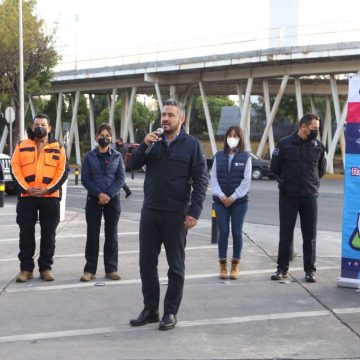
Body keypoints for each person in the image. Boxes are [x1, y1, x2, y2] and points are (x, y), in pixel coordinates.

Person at [129, 99, 208, 331]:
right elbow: (132, 165)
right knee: (146, 264)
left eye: (171, 115)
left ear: (181, 119)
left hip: (176, 214)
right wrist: (143, 145)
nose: (165, 118)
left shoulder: (192, 145)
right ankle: (151, 309)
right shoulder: (153, 142)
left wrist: (194, 211)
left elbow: (201, 180)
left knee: (175, 266)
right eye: (163, 114)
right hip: (151, 211)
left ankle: (170, 312)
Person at [10, 113, 68, 282]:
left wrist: (47, 189)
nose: (39, 127)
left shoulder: (59, 148)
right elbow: (15, 169)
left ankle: (46, 268)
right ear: (32, 127)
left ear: (49, 128)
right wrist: (26, 188)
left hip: (50, 197)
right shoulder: (21, 146)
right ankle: (26, 270)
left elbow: (62, 172)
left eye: (43, 124)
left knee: (48, 234)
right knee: (26, 233)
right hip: (26, 197)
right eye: (37, 124)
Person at [270, 113, 326, 283]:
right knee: (286, 233)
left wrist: (313, 184)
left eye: (317, 128)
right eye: (314, 128)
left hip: (309, 196)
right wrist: (285, 184)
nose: (316, 131)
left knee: (310, 235)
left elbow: (321, 170)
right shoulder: (284, 144)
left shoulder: (318, 146)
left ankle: (310, 270)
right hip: (289, 196)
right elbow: (275, 168)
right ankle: (282, 268)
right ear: (303, 127)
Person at [80, 123, 125, 282]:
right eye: (101, 135)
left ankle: (111, 269)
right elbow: (85, 179)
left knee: (111, 235)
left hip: (113, 201)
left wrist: (108, 194)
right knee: (92, 235)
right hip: (93, 200)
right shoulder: (89, 157)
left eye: (107, 135)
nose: (104, 138)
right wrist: (99, 194)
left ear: (111, 138)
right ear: (96, 137)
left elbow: (120, 179)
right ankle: (89, 270)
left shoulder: (117, 156)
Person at [211, 125, 252, 280]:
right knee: (223, 232)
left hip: (239, 202)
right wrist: (221, 195)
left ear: (240, 139)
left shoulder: (246, 157)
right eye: (230, 135)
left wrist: (233, 197)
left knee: (236, 232)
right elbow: (213, 178)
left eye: (235, 136)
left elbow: (246, 180)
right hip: (220, 201)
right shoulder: (218, 156)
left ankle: (235, 265)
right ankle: (222, 265)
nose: (232, 138)